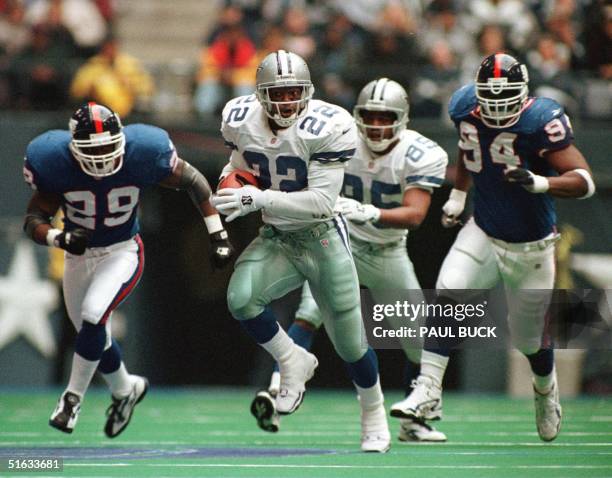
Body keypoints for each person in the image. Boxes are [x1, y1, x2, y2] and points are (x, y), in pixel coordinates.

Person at [390, 53, 596, 442]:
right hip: (483, 229)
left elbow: (585, 181)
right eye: (491, 101)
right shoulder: (466, 106)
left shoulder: (542, 121)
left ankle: (545, 388)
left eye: (506, 102)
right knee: (449, 291)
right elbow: (471, 150)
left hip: (531, 244)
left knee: (527, 339)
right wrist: (457, 194)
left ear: (524, 94)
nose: (498, 111)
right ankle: (427, 390)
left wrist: (541, 183)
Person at [250, 78, 449, 443]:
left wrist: (369, 212)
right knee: (309, 313)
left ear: (402, 119)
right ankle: (280, 387)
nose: (375, 125)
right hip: (339, 243)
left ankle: (413, 420)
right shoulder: (339, 138)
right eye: (369, 116)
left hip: (387, 251)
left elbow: (416, 214)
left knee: (416, 340)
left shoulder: (419, 152)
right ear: (357, 116)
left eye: (384, 117)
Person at [211, 50, 391, 452]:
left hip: (322, 238)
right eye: (279, 92)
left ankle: (373, 412)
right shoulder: (240, 119)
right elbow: (237, 163)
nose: (288, 101)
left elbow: (321, 204)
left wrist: (257, 200)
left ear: (308, 92)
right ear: (260, 95)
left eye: (295, 92)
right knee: (241, 299)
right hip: (278, 238)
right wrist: (229, 184)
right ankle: (293, 360)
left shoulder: (327, 125)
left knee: (350, 343)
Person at [22, 102, 234, 437]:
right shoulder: (53, 160)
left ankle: (71, 398)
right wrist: (58, 237)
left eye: (108, 146)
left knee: (93, 316)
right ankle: (125, 390)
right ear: (73, 148)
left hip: (122, 251)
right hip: (78, 257)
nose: (103, 157)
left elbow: (195, 182)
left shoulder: (144, 150)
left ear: (121, 140)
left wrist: (217, 233)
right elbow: (34, 220)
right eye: (93, 150)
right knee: (93, 336)